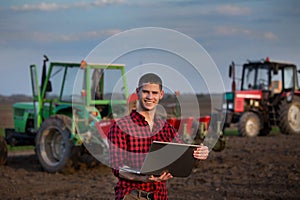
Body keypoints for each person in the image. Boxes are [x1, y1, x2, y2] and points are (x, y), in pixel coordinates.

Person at [108, 73, 209, 200]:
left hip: (159, 195)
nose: (150, 97)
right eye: (145, 92)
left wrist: (198, 154)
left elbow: (182, 157)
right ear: (138, 92)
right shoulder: (121, 127)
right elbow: (118, 169)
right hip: (132, 195)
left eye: (154, 93)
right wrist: (144, 178)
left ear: (161, 95)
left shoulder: (166, 128)